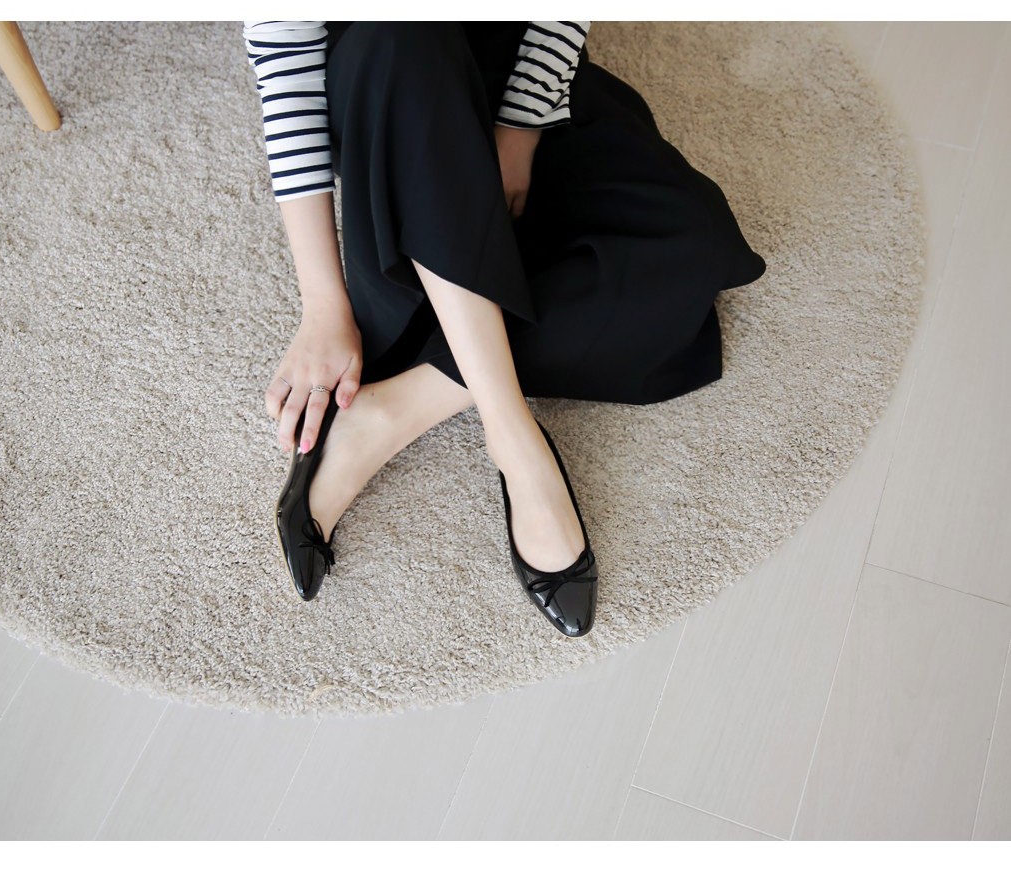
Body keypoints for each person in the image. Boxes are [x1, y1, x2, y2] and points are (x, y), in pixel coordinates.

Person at [242, 21, 767, 637]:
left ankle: (394, 411)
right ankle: (515, 440)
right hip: (387, 76)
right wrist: (323, 307)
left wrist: (520, 128)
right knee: (404, 36)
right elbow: (286, 57)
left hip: (512, 58)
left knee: (691, 244)